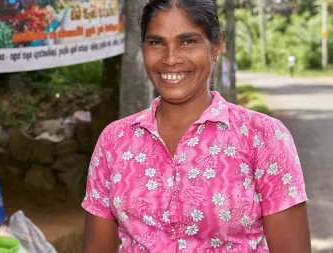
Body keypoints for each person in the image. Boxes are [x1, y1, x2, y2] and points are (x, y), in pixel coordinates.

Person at [81, 0, 311, 252]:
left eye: (188, 41)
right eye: (156, 42)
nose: (170, 59)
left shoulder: (262, 136)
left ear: (216, 46)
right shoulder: (115, 140)